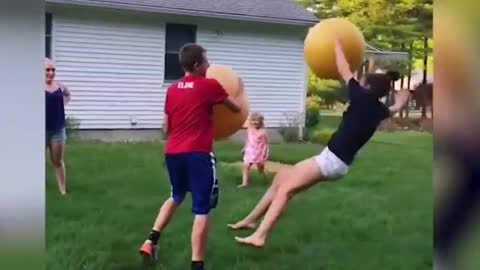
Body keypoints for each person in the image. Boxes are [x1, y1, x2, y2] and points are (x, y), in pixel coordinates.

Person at [227, 36, 411, 248]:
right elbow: (393, 110)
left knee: (285, 189)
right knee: (281, 179)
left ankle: (260, 236)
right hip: (335, 161)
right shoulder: (378, 109)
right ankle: (250, 221)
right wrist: (400, 101)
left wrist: (337, 44)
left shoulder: (361, 98)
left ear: (367, 87)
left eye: (362, 82)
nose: (357, 82)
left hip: (331, 161)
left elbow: (343, 69)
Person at [139, 43, 242, 270]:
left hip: (173, 152)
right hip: (198, 153)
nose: (209, 65)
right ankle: (197, 265)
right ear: (197, 65)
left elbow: (166, 129)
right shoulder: (209, 86)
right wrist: (237, 89)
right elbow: (236, 109)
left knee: (176, 195)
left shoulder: (172, 89)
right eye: (206, 61)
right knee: (202, 208)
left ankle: (151, 240)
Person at [45, 58, 71, 196]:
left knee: (58, 161)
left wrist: (62, 104)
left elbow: (67, 94)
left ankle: (62, 191)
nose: (50, 73)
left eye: (53, 70)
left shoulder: (59, 87)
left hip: (57, 130)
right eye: (47, 70)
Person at [239, 112, 269, 188]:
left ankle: (266, 179)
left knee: (260, 169)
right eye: (253, 120)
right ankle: (245, 183)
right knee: (246, 167)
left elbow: (265, 145)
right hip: (250, 151)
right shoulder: (250, 129)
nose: (255, 122)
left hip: (258, 152)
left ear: (261, 122)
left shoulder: (262, 132)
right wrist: (244, 148)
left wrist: (263, 155)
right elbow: (248, 140)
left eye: (257, 120)